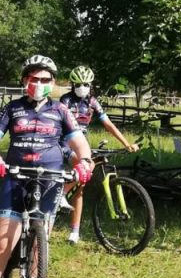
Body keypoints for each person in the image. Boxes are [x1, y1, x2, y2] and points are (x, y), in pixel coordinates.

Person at [0, 55, 93, 278]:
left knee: (39, 245)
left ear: (53, 83)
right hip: (16, 176)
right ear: (25, 81)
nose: (39, 84)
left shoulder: (61, 111)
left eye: (45, 80)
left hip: (49, 179)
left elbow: (79, 142)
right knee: (3, 242)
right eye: (34, 79)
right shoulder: (13, 109)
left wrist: (84, 161)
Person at [59, 65, 139, 244]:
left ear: (90, 85)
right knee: (86, 167)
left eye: (86, 84)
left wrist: (126, 144)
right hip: (64, 143)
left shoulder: (92, 102)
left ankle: (74, 231)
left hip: (82, 145)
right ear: (73, 84)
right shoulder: (66, 100)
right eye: (79, 83)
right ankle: (61, 193)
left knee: (80, 187)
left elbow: (108, 124)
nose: (82, 87)